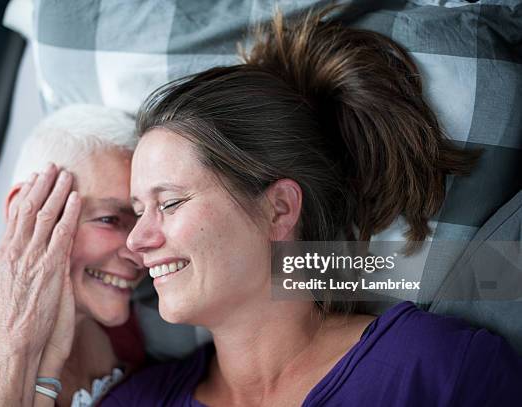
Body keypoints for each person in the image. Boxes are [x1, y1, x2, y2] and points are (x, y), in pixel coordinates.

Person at [95, 10, 522, 406]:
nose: (136, 240)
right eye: (138, 211)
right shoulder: (136, 400)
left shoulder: (436, 372)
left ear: (279, 208)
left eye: (169, 203)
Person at [0, 104, 146, 407]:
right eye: (110, 219)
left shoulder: (124, 325)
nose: (139, 253)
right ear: (24, 208)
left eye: (143, 220)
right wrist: (15, 344)